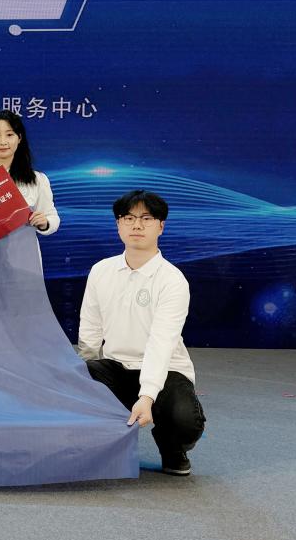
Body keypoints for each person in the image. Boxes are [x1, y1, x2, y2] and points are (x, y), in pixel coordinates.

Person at [77, 190, 205, 476]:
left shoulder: (172, 280)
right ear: (118, 225)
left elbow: (161, 343)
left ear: (161, 226)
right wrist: (85, 377)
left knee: (184, 420)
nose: (136, 225)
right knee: (74, 381)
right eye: (128, 218)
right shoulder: (101, 270)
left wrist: (147, 396)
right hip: (116, 367)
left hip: (166, 372)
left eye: (146, 218)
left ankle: (172, 448)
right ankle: (102, 448)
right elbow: (91, 328)